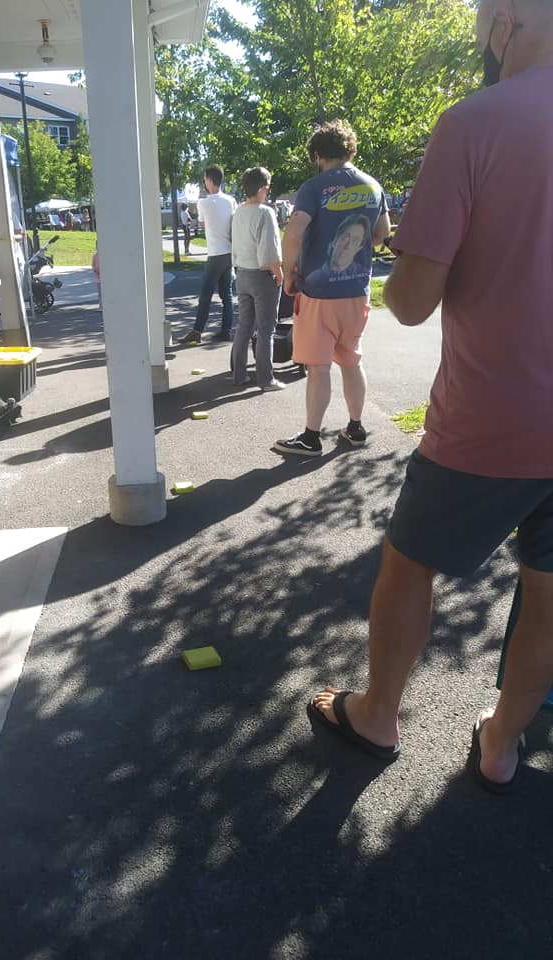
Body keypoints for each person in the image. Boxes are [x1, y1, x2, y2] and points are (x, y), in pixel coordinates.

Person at [309, 0, 553, 793]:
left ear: (508, 19)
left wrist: (403, 248)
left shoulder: (475, 123)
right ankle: (501, 745)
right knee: (549, 594)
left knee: (409, 564)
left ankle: (378, 714)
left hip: (492, 417)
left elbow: (411, 302)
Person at [274, 120, 390, 457]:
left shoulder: (314, 187)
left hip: (319, 294)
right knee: (352, 359)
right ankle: (355, 427)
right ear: (349, 150)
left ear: (317, 154)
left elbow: (294, 232)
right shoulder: (373, 186)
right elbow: (381, 233)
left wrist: (289, 271)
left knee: (319, 366)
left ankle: (311, 437)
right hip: (357, 292)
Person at [230, 166, 285, 391]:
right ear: (263, 188)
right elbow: (269, 250)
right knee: (265, 330)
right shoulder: (265, 212)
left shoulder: (238, 212)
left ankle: (239, 374)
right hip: (262, 276)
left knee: (244, 326)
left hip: (241, 273)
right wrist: (279, 274)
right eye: (268, 187)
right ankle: (266, 379)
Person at [180, 165, 237, 344]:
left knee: (205, 293)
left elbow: (203, 225)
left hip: (215, 253)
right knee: (226, 294)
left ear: (210, 180)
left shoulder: (203, 203)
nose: (204, 182)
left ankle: (197, 331)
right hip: (229, 252)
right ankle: (226, 330)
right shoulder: (231, 200)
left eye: (205, 179)